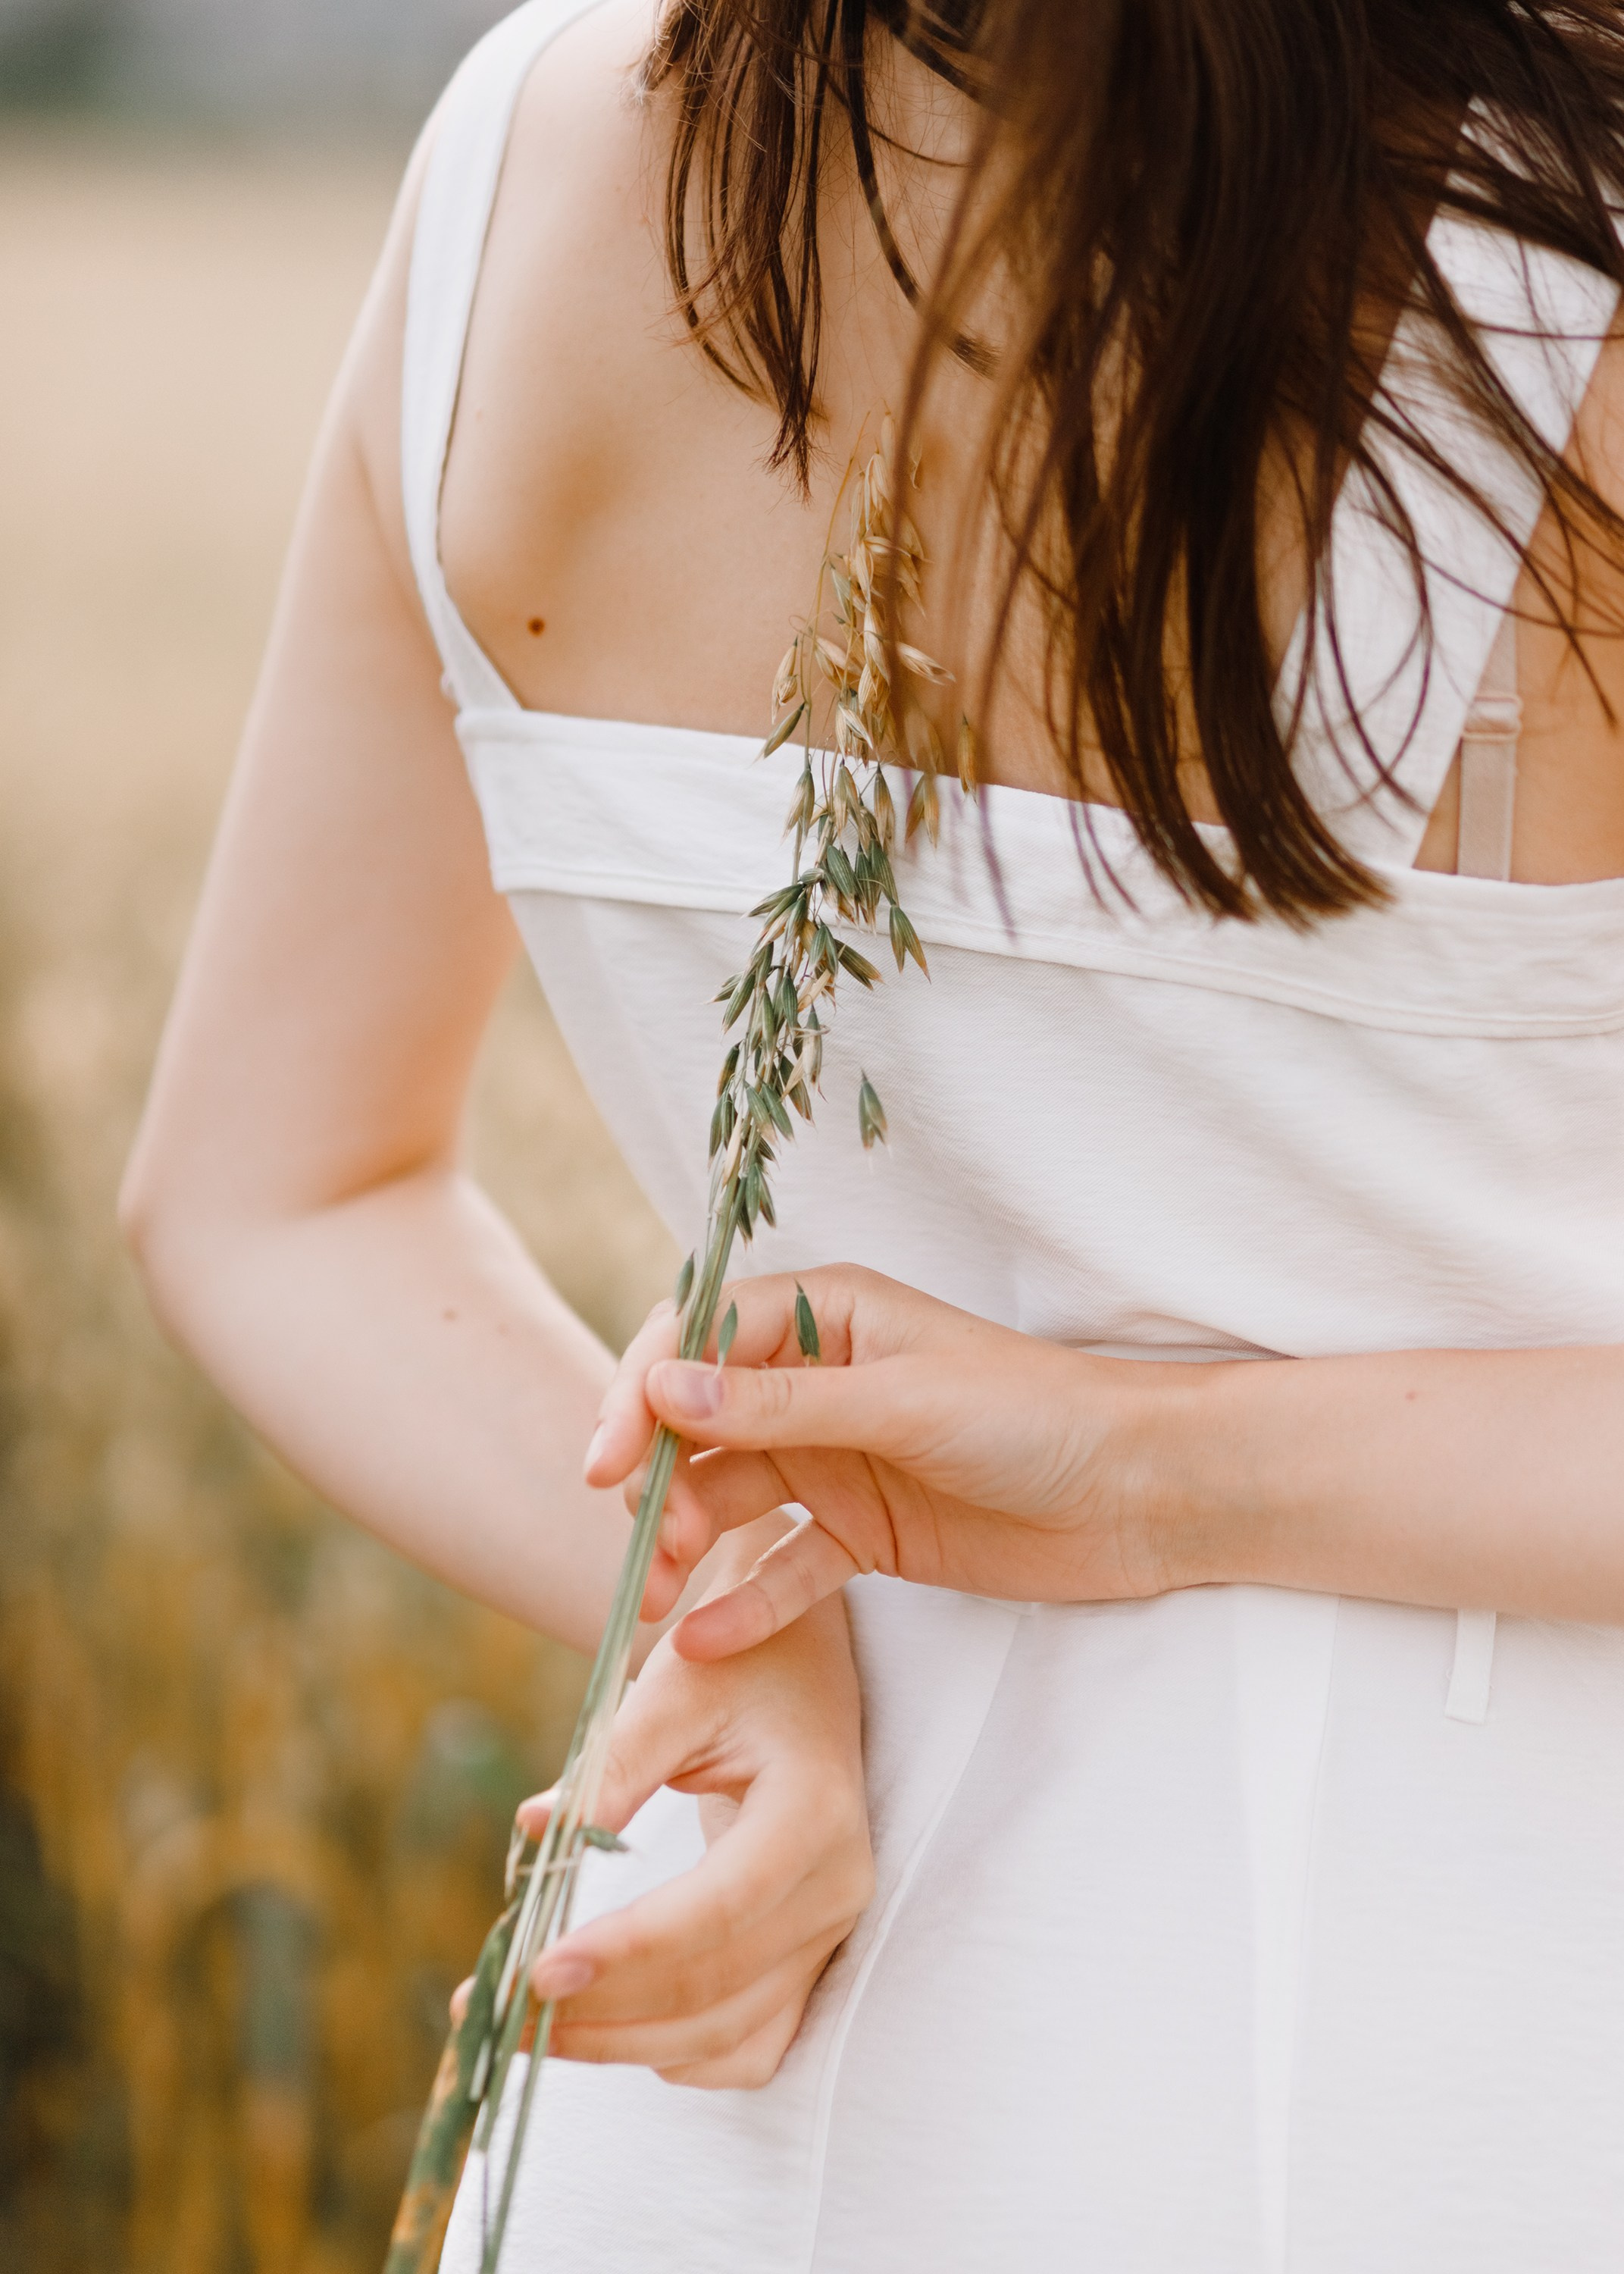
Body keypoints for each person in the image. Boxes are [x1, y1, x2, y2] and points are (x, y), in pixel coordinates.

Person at [122, 0, 1624, 2264]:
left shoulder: (522, 168)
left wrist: (732, 1608)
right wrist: (1138, 1474)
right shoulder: (1575, 246)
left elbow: (270, 1197)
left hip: (752, 2054)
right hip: (1491, 2058)